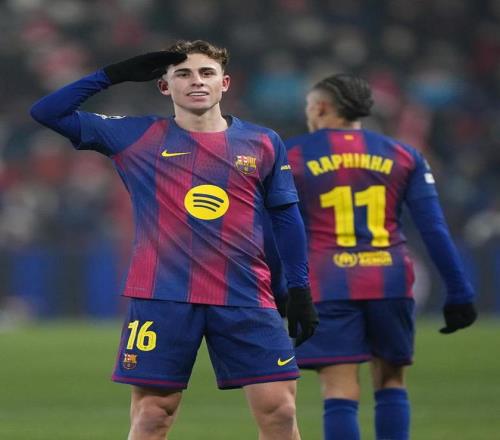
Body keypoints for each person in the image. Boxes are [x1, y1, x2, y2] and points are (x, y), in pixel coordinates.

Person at [30, 40, 318, 440]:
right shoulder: (135, 135)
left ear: (224, 83)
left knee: (280, 412)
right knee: (153, 415)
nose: (196, 81)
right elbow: (46, 112)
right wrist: (112, 75)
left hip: (245, 294)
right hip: (162, 296)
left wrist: (299, 287)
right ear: (165, 86)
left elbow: (286, 218)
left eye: (206, 73)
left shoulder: (263, 142)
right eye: (183, 74)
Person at [282, 73, 477, 440]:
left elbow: (276, 227)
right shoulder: (404, 155)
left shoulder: (292, 155)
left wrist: (283, 286)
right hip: (390, 279)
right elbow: (434, 229)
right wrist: (459, 291)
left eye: (309, 106)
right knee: (391, 381)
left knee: (339, 388)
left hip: (328, 280)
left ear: (321, 107)